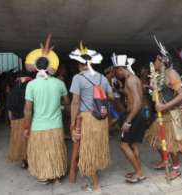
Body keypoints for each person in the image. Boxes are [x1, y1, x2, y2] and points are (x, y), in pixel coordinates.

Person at [23, 34, 69, 184]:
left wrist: (26, 127)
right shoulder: (59, 83)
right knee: (55, 151)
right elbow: (67, 103)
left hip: (38, 126)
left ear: (35, 66)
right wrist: (61, 108)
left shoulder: (31, 85)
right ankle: (56, 175)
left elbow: (28, 110)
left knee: (42, 152)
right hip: (56, 125)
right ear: (50, 66)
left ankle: (43, 175)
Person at [68, 42, 113, 192]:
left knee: (88, 150)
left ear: (80, 64)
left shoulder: (78, 78)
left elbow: (75, 102)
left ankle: (95, 186)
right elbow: (111, 96)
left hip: (86, 119)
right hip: (101, 119)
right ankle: (95, 180)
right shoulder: (102, 78)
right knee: (96, 147)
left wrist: (72, 122)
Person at [144, 53, 182, 180]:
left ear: (161, 61)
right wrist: (151, 86)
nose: (153, 64)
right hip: (161, 116)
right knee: (158, 141)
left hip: (171, 115)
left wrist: (164, 106)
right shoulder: (159, 76)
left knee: (171, 144)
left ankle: (176, 169)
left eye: (155, 61)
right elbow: (163, 90)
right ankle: (165, 161)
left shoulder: (171, 73)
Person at [112, 53, 149, 183]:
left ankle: (139, 173)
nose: (116, 74)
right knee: (133, 145)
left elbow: (137, 102)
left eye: (116, 71)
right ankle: (138, 170)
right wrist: (121, 92)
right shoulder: (133, 79)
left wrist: (128, 121)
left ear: (121, 69)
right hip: (137, 115)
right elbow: (134, 96)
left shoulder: (130, 80)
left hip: (134, 116)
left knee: (124, 145)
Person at [6, 73, 32, 169]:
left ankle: (24, 161)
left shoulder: (11, 94)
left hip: (16, 120)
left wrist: (11, 123)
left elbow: (9, 111)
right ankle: (30, 159)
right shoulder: (29, 93)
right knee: (28, 141)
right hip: (27, 120)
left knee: (20, 142)